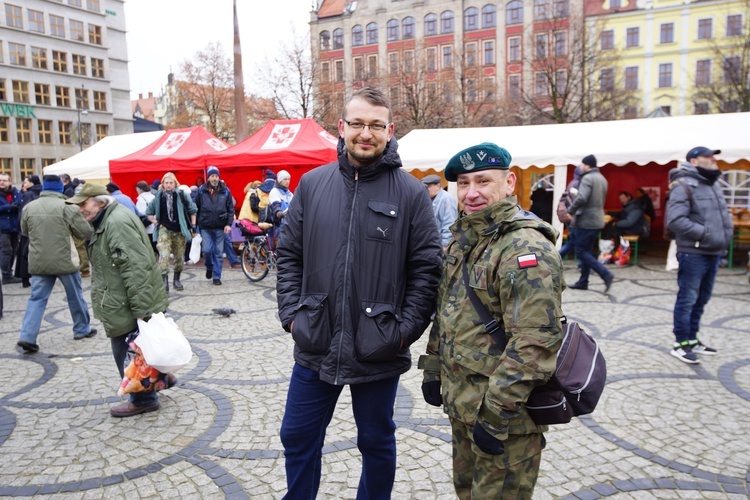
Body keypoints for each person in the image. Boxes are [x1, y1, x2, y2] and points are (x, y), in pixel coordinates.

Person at [276, 87, 442, 499]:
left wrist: (402, 332)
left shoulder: (410, 192)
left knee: (376, 442)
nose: (365, 134)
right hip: (316, 338)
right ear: (342, 127)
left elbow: (426, 270)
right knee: (297, 436)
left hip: (378, 345)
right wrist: (293, 316)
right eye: (357, 124)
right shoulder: (312, 185)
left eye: (375, 125)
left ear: (389, 130)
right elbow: (289, 255)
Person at [418, 142, 564, 499]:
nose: (472, 193)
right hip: (465, 404)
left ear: (509, 182)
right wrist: (434, 369)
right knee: (466, 492)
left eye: (483, 181)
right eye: (463, 184)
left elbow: (535, 341)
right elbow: (449, 311)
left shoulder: (524, 247)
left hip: (505, 419)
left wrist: (495, 416)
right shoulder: (465, 239)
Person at [66, 183, 170, 417]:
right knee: (140, 346)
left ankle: (143, 398)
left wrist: (142, 308)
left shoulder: (116, 223)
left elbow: (136, 267)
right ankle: (159, 379)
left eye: (84, 204)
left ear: (100, 202)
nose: (80, 209)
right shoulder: (108, 220)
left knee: (125, 352)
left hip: (125, 302)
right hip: (120, 299)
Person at [665, 146, 733, 364]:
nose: (713, 160)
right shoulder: (683, 185)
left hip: (713, 251)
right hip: (693, 252)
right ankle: (680, 343)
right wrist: (706, 234)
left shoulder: (711, 184)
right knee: (688, 299)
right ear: (694, 161)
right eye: (708, 157)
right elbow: (675, 220)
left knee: (702, 299)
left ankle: (692, 339)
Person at [16, 175, 97, 353]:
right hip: (64, 260)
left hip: (39, 261)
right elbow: (84, 231)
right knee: (75, 295)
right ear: (60, 189)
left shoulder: (29, 207)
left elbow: (24, 231)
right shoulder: (66, 207)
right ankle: (81, 329)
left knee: (36, 299)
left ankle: (27, 336)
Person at [566, 155, 614, 292]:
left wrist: (571, 210)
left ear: (587, 165)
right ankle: (583, 281)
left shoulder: (587, 178)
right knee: (586, 251)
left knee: (581, 251)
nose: (580, 167)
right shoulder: (602, 178)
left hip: (586, 220)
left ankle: (605, 274)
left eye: (581, 164)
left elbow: (582, 197)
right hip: (597, 219)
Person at [146, 173, 197, 292]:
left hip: (179, 231)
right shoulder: (158, 197)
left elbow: (193, 209)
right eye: (166, 183)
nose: (168, 185)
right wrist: (155, 221)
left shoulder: (182, 195)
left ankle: (176, 279)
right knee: (164, 255)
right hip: (164, 230)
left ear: (175, 183)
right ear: (163, 184)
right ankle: (164, 282)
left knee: (179, 257)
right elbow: (148, 212)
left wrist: (193, 226)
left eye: (171, 183)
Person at [195, 166, 234, 286]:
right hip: (205, 226)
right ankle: (209, 266)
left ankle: (217, 276)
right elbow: (196, 208)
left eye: (216, 176)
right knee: (207, 251)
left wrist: (228, 224)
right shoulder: (201, 191)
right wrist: (195, 225)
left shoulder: (225, 191)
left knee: (218, 252)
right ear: (209, 177)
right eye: (212, 176)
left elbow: (230, 209)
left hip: (220, 226)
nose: (214, 178)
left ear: (219, 177)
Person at [15, 175, 43, 287]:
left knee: (25, 254)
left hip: (28, 230)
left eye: (26, 182)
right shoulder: (42, 193)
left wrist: (21, 228)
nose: (24, 184)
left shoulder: (28, 195)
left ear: (32, 183)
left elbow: (23, 214)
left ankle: (25, 279)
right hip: (40, 229)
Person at [421, 174, 458, 249]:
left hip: (442, 247)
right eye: (424, 187)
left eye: (429, 187)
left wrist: (445, 246)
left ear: (438, 185)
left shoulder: (446, 198)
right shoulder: (430, 199)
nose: (426, 189)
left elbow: (450, 224)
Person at [0, 173, 23, 284]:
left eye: (4, 180)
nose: (2, 182)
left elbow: (20, 203)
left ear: (9, 182)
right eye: (0, 180)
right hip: (2, 227)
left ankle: (9, 272)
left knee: (14, 250)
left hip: (14, 226)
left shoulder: (16, 192)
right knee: (6, 250)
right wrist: (8, 207)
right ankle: (6, 275)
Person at [558, 166, 582, 259]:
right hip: (574, 216)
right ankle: (556, 258)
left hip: (570, 215)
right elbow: (577, 202)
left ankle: (583, 263)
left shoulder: (572, 183)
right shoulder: (577, 184)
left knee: (575, 241)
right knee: (576, 241)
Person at [135, 180, 157, 256]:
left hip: (146, 224)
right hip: (155, 223)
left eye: (137, 189)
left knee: (148, 244)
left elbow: (141, 212)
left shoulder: (141, 199)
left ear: (140, 189)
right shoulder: (153, 196)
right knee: (155, 243)